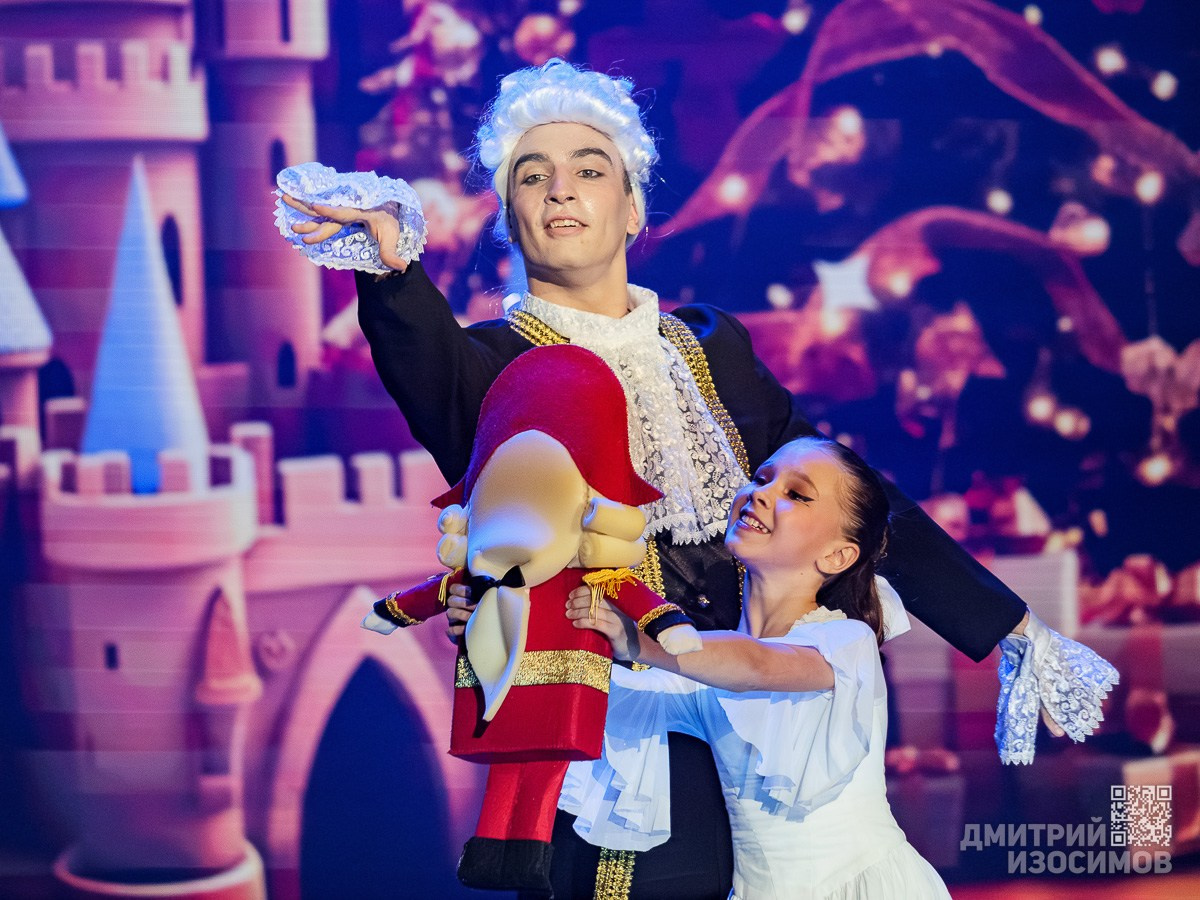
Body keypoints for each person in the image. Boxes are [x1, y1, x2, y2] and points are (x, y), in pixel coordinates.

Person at [274, 58, 1114, 899]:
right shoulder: (493, 366)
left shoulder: (713, 347)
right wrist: (390, 272)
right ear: (510, 218)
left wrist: (1008, 624)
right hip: (621, 743)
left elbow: (854, 498)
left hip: (755, 732)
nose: (561, 190)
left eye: (588, 171)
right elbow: (423, 363)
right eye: (533, 176)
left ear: (633, 207)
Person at [561, 435, 950, 899]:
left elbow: (758, 666)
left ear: (837, 556)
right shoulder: (705, 677)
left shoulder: (846, 642)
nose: (761, 493)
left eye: (796, 494)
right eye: (762, 477)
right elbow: (606, 693)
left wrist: (637, 641)